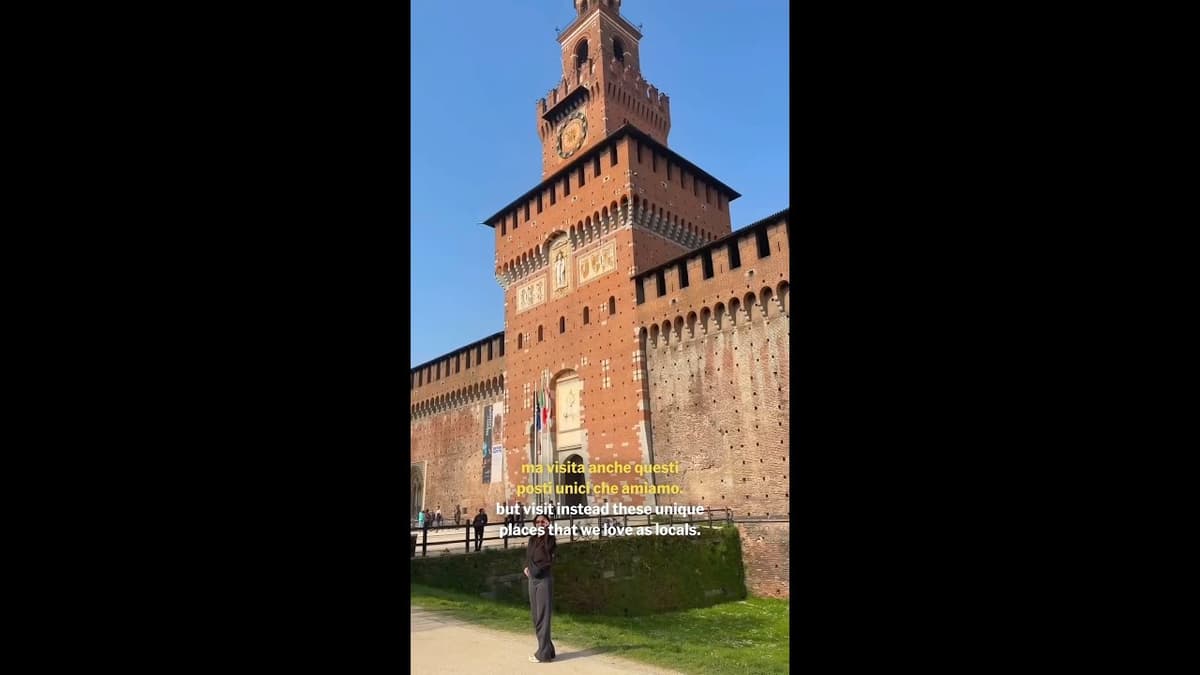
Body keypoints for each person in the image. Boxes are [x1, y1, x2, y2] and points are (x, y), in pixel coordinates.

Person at [524, 514, 557, 663]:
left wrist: (545, 534)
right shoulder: (532, 539)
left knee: (543, 616)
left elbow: (547, 558)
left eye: (543, 521)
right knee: (536, 616)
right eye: (537, 522)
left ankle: (542, 654)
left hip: (544, 580)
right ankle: (548, 649)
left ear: (548, 523)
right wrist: (526, 568)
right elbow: (529, 557)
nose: (540, 524)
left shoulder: (550, 539)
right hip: (532, 580)